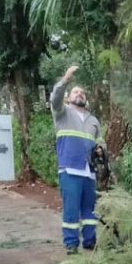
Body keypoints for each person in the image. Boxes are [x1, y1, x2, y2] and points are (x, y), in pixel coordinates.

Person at [49, 65, 104, 254]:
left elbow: (100, 141)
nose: (79, 94)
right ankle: (71, 244)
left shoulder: (93, 120)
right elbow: (55, 98)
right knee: (71, 210)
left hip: (89, 171)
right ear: (68, 97)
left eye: (82, 92)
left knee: (89, 211)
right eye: (75, 92)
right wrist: (65, 80)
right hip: (70, 169)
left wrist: (100, 149)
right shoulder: (61, 112)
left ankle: (90, 240)